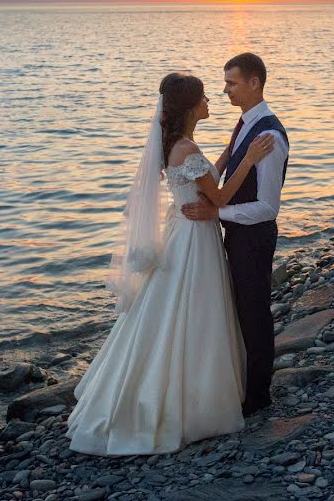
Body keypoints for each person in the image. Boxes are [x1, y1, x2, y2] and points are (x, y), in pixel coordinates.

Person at [65, 72, 274, 456]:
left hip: (184, 230)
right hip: (196, 239)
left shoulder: (179, 146)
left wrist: (230, 151)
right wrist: (249, 159)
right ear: (191, 106)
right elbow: (222, 196)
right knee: (196, 311)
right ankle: (191, 402)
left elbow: (205, 177)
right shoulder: (187, 151)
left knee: (168, 311)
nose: (211, 101)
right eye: (205, 97)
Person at [182, 53, 289, 417]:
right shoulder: (245, 123)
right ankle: (244, 383)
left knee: (255, 313)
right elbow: (227, 166)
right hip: (239, 235)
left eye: (231, 83)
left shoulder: (270, 136)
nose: (224, 89)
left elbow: (267, 208)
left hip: (255, 238)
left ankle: (259, 396)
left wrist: (217, 212)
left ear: (253, 83)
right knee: (241, 311)